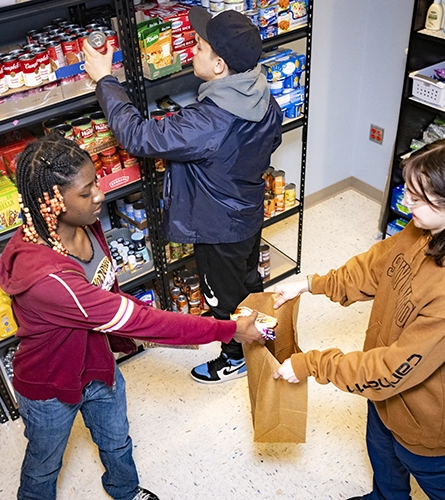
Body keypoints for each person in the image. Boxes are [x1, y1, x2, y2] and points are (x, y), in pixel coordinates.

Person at [0, 134, 263, 500]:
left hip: (98, 366)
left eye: (96, 182)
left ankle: (124, 491)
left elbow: (112, 293)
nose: (100, 194)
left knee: (117, 441)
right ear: (53, 201)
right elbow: (139, 319)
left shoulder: (84, 225)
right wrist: (228, 330)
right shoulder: (49, 278)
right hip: (50, 386)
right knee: (44, 465)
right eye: (87, 190)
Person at [271, 136, 445, 500]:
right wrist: (311, 284)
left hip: (424, 418)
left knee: (442, 484)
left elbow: (392, 367)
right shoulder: (428, 228)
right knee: (383, 456)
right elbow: (375, 267)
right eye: (408, 190)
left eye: (419, 199)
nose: (406, 203)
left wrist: (312, 365)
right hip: (385, 395)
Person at [83, 7, 283, 384]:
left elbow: (138, 136)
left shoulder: (207, 122)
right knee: (248, 283)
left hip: (216, 226)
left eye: (199, 46)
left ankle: (235, 356)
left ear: (220, 65)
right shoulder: (262, 94)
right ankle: (264, 337)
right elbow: (271, 139)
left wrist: (105, 80)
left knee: (221, 299)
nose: (191, 50)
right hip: (247, 211)